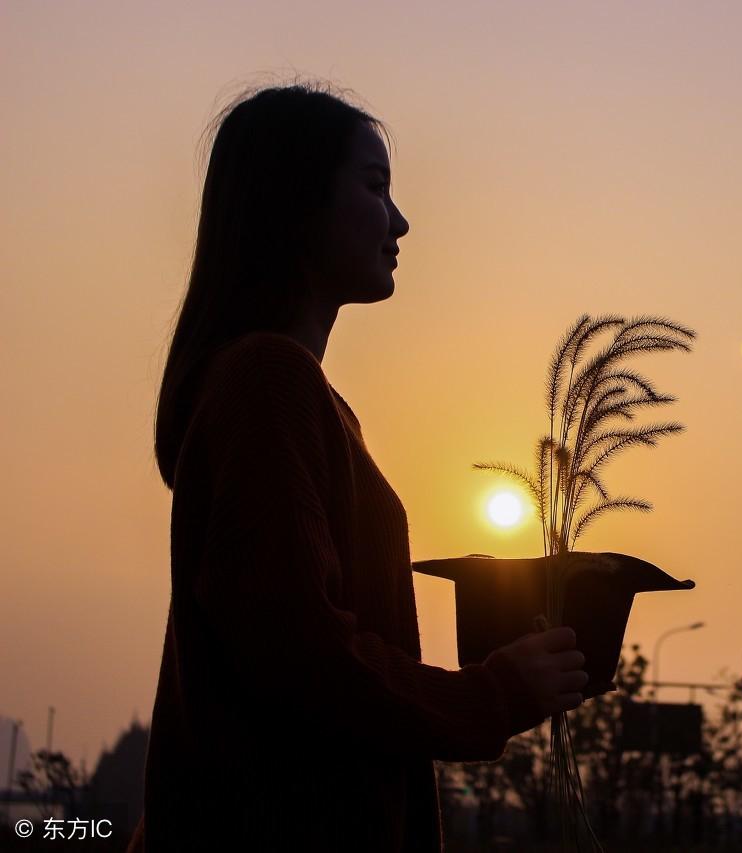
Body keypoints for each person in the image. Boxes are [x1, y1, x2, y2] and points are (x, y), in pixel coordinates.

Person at [130, 81, 588, 852]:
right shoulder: (266, 380)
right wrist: (495, 693)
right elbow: (297, 648)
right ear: (295, 202)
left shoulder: (300, 395)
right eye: (376, 186)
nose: (400, 221)